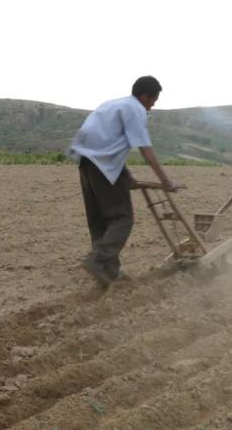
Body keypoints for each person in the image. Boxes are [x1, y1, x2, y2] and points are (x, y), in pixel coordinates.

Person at [67, 75, 180, 289]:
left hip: (85, 164)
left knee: (99, 220)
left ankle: (107, 272)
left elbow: (107, 143)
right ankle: (98, 260)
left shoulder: (110, 105)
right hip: (104, 166)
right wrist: (166, 181)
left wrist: (127, 177)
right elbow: (145, 149)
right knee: (122, 219)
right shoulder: (136, 109)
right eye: (153, 101)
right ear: (145, 96)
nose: (152, 107)